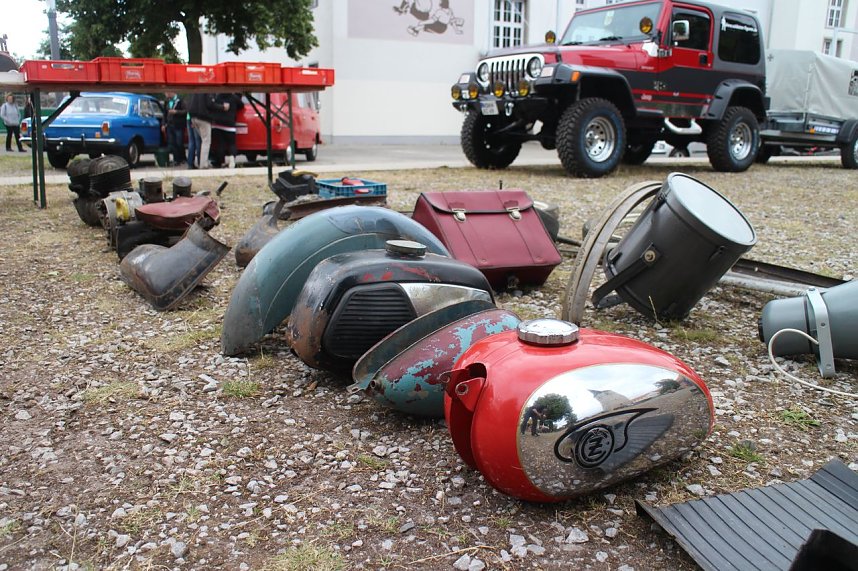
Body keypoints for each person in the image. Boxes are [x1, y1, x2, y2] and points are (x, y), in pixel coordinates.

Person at [187, 93, 225, 169]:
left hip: (193, 118)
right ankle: (203, 164)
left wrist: (191, 119)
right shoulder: (207, 91)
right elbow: (210, 104)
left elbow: (189, 104)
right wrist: (222, 107)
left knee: (200, 141)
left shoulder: (194, 92)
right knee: (206, 141)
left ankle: (200, 162)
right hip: (203, 118)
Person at [211, 92, 243, 168]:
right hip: (229, 124)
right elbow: (241, 105)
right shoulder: (234, 98)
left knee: (220, 144)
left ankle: (222, 162)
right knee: (232, 144)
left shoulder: (218, 97)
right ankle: (232, 161)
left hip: (218, 124)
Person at [164, 91, 187, 166]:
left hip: (178, 124)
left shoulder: (180, 100)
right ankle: (176, 159)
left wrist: (176, 112)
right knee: (172, 142)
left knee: (179, 142)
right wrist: (163, 124)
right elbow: (165, 113)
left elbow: (185, 111)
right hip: (170, 125)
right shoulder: (167, 101)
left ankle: (182, 158)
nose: (166, 94)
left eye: (167, 93)